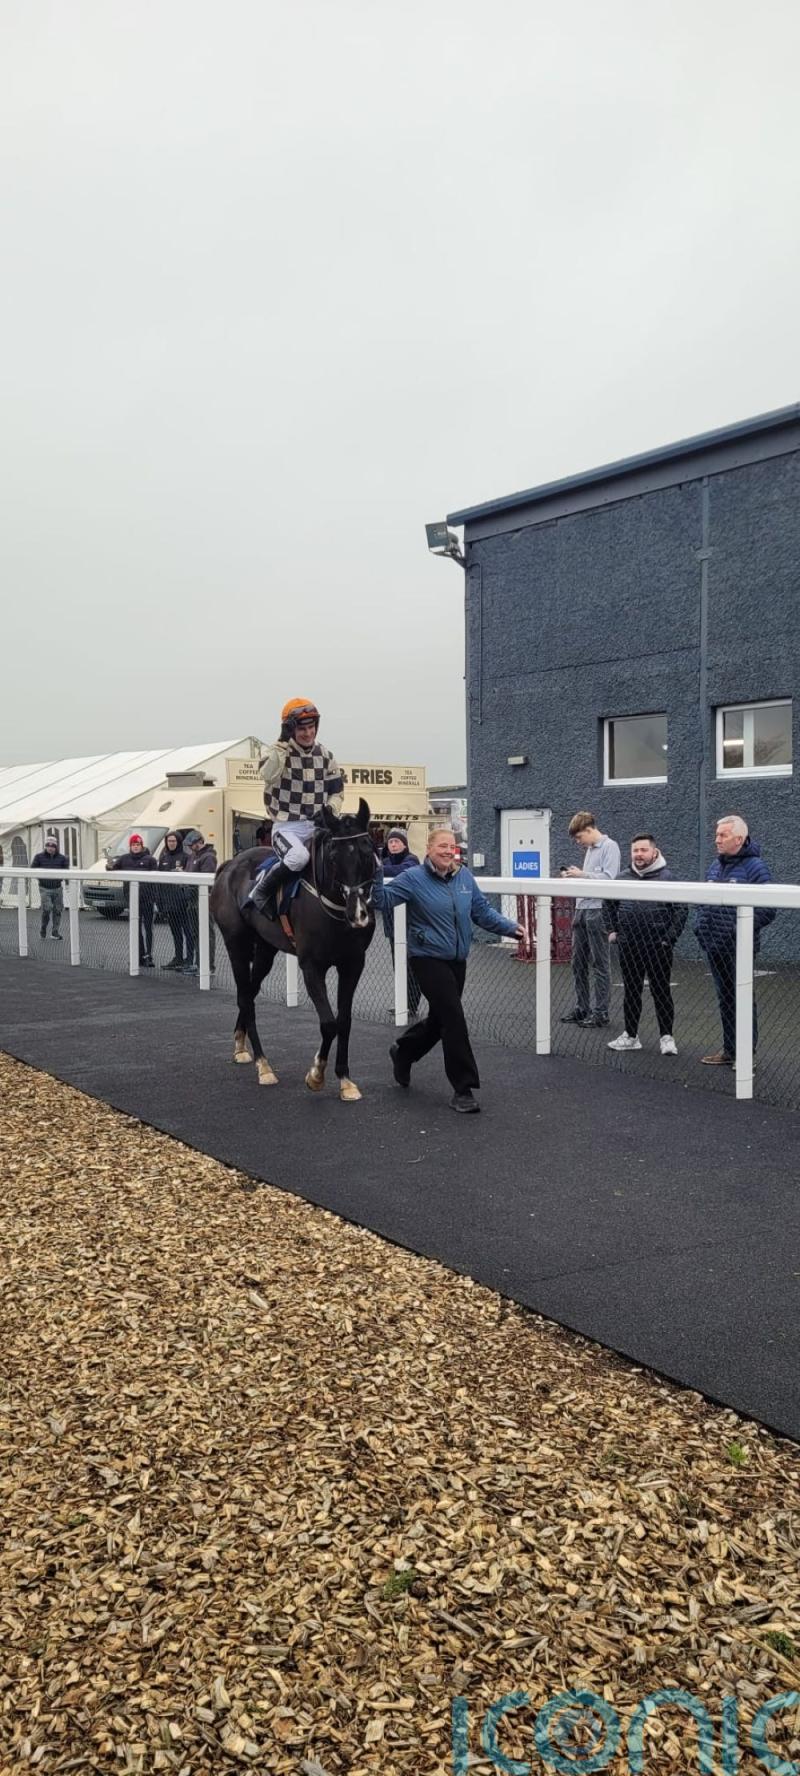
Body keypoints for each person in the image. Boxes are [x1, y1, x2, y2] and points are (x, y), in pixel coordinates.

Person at [373, 829, 524, 1114]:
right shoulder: (413, 878)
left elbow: (480, 911)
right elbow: (382, 901)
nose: (447, 851)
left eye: (452, 847)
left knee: (440, 1019)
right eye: (442, 846)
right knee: (454, 1019)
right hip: (426, 957)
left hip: (457, 958)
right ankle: (463, 1089)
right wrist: (375, 874)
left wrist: (510, 928)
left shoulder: (463, 876)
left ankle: (403, 1051)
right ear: (429, 848)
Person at [243, 699, 344, 920]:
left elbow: (337, 791)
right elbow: (267, 775)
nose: (308, 733)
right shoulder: (277, 752)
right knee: (298, 857)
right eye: (301, 728)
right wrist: (282, 741)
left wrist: (330, 810)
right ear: (290, 728)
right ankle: (260, 892)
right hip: (287, 827)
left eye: (311, 727)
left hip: (318, 827)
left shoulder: (327, 756)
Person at [693, 815, 776, 1067]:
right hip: (714, 946)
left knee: (742, 998)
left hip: (738, 948)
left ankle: (745, 1055)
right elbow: (704, 900)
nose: (717, 840)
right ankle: (730, 1049)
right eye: (717, 834)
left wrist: (735, 929)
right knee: (725, 998)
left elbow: (768, 908)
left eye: (723, 835)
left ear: (738, 839)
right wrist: (700, 927)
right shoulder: (715, 867)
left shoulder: (755, 868)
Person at [605, 833, 687, 1056]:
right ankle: (631, 1036)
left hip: (658, 947)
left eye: (643, 850)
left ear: (654, 851)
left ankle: (667, 1038)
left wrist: (668, 939)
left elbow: (681, 910)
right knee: (631, 992)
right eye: (635, 851)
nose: (639, 855)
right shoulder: (622, 878)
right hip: (629, 946)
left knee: (661, 992)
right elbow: (608, 904)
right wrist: (613, 931)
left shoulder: (668, 878)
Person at [560, 811, 620, 1028]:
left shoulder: (609, 846)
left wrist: (581, 875)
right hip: (582, 908)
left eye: (579, 838)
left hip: (598, 909)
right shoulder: (590, 849)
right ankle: (582, 1007)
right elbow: (591, 878)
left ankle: (601, 1012)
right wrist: (575, 877)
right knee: (577, 962)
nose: (578, 843)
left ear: (588, 830)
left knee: (600, 963)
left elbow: (609, 878)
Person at [380, 827, 423, 1019]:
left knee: (412, 966)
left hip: (410, 922)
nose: (394, 844)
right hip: (391, 923)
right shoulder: (385, 861)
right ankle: (402, 1003)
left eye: (397, 841)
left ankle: (411, 1005)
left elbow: (403, 871)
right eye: (391, 842)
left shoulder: (411, 860)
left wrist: (377, 869)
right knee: (398, 965)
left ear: (404, 844)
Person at [109, 834, 156, 965]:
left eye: (138, 845)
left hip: (147, 899)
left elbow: (156, 879)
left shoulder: (150, 860)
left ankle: (148, 956)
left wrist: (155, 897)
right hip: (132, 900)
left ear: (141, 846)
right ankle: (138, 955)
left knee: (148, 928)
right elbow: (113, 868)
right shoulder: (124, 859)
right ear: (130, 846)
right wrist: (109, 867)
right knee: (135, 928)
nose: (135, 847)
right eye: (133, 845)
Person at [183, 830, 218, 974]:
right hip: (192, 899)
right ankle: (199, 963)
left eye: (192, 845)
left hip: (203, 900)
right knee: (195, 933)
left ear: (199, 842)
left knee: (207, 933)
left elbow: (206, 879)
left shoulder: (208, 857)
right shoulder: (193, 857)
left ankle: (208, 966)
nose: (191, 847)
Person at [157, 830, 192, 971]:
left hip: (183, 903)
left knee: (188, 932)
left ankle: (189, 959)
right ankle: (177, 957)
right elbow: (158, 880)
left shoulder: (185, 857)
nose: (171, 843)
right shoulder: (163, 858)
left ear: (178, 842)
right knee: (175, 932)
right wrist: (160, 902)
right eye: (169, 841)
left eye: (173, 841)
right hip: (168, 902)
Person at [31, 832, 69, 940]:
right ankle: (43, 927)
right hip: (44, 888)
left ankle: (55, 932)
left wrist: (67, 884)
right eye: (48, 845)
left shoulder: (62, 858)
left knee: (58, 910)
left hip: (57, 888)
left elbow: (66, 872)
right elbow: (32, 870)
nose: (50, 848)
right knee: (47, 909)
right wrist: (40, 877)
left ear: (56, 847)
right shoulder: (39, 857)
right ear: (45, 846)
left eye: (53, 846)